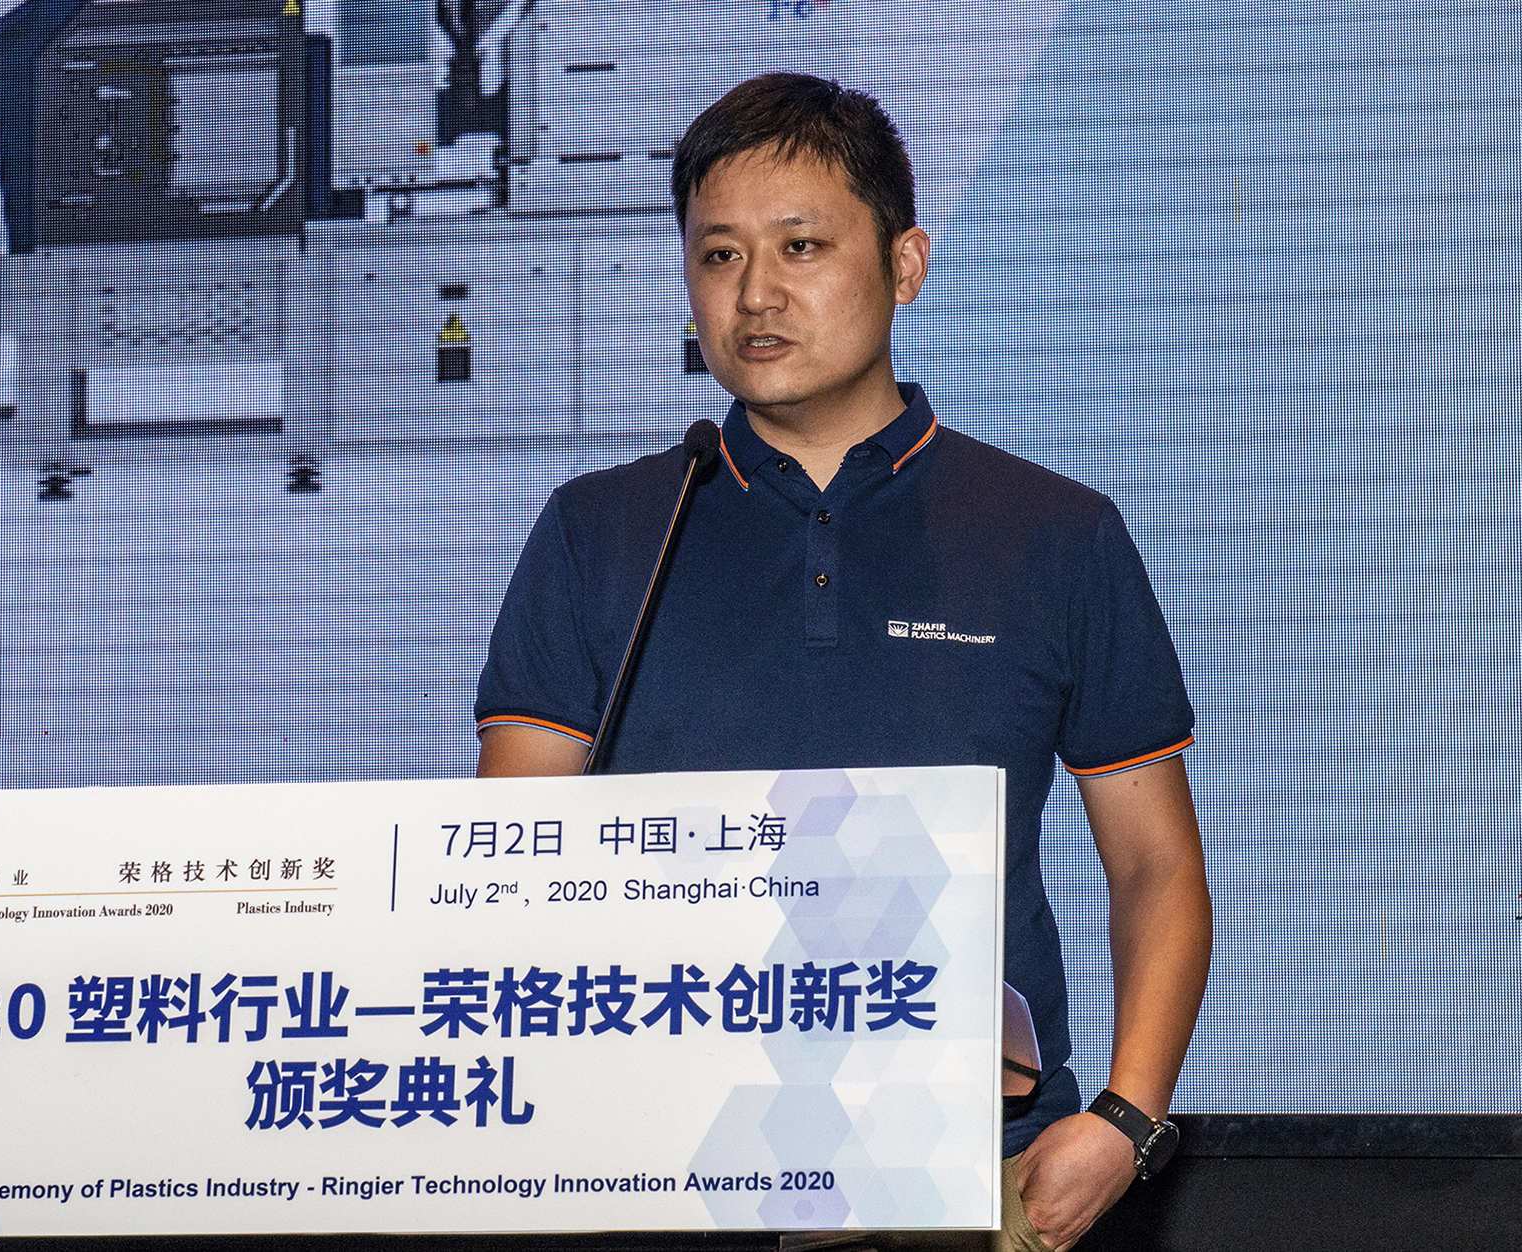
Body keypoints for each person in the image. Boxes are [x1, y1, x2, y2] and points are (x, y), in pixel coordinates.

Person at [474, 72, 1212, 1252]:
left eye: (800, 246)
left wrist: (1126, 1119)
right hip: (659, 1177)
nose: (754, 293)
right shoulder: (602, 531)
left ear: (904, 264)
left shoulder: (1051, 531)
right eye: (717, 255)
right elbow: (508, 870)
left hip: (967, 1178)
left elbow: (1153, 864)